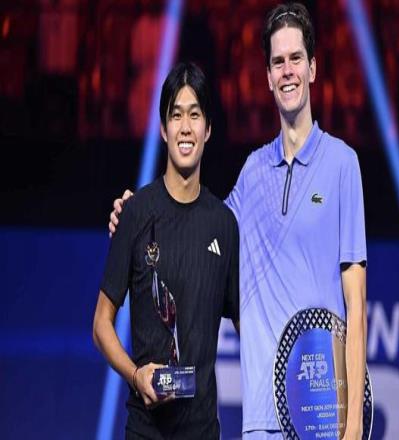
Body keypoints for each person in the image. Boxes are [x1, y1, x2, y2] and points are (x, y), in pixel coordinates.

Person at [110, 3, 367, 439]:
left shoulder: (343, 164)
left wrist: (354, 426)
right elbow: (192, 220)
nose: (287, 71)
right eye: (278, 62)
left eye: (296, 59)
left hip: (322, 416)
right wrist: (138, 212)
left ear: (313, 68)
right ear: (267, 76)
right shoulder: (253, 172)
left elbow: (356, 305)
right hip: (261, 421)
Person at [93, 61, 239, 439]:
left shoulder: (224, 224)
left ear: (208, 129)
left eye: (195, 115)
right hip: (145, 430)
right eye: (176, 115)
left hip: (203, 431)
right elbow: (101, 324)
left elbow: (249, 330)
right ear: (163, 128)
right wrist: (135, 375)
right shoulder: (135, 213)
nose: (185, 127)